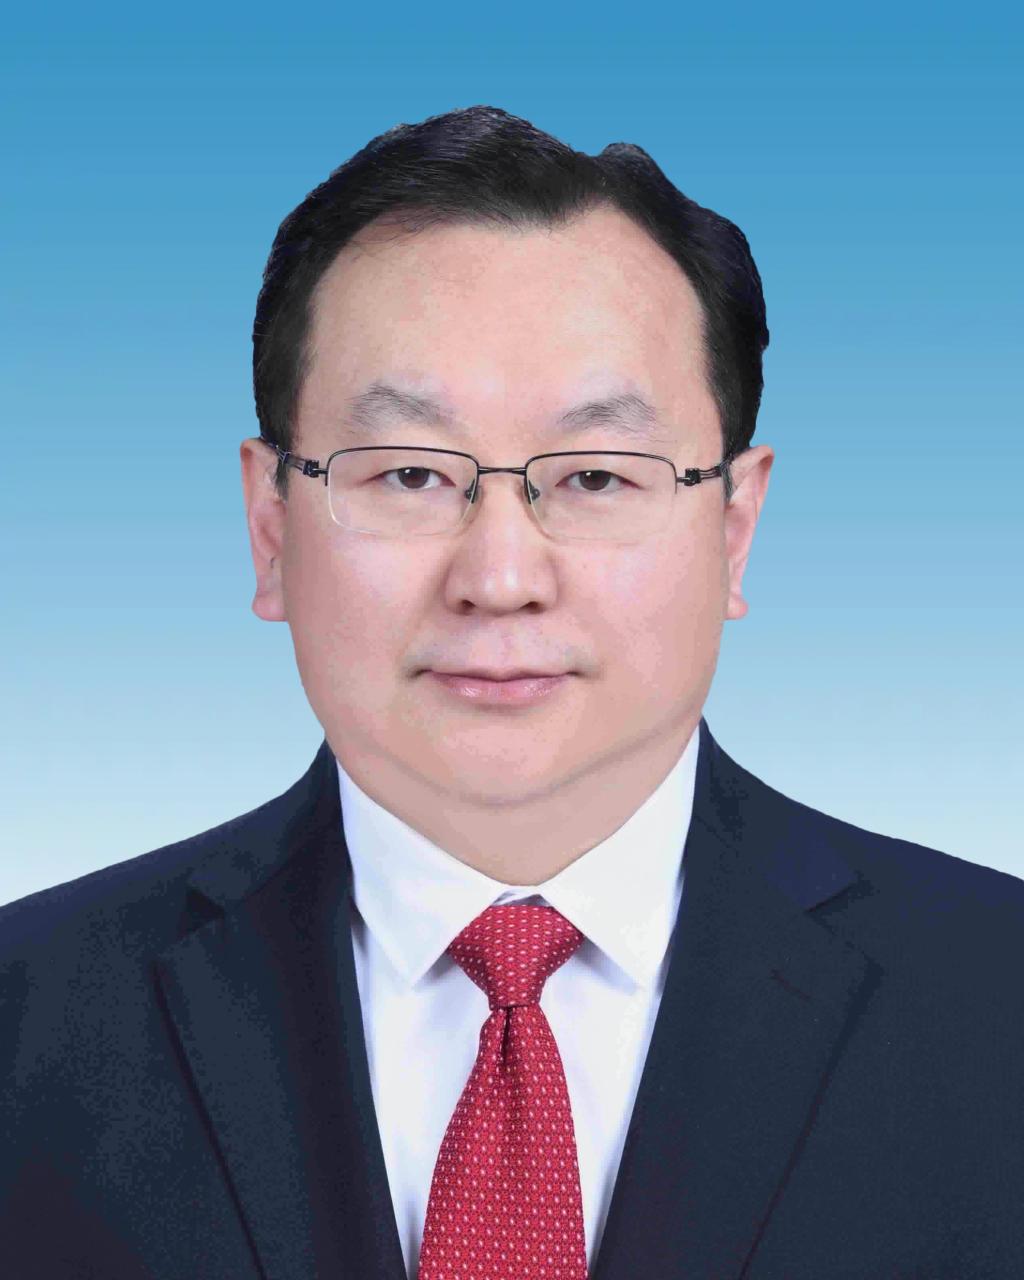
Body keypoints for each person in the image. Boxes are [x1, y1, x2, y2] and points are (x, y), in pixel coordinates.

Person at [2, 105, 1022, 1280]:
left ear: (734, 526)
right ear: (269, 525)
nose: (497, 577)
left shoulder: (996, 1005)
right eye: (409, 473)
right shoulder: (27, 1015)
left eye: (594, 475)